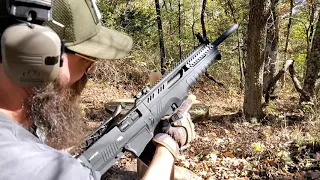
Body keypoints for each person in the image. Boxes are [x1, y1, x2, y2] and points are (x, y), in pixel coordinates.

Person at [0, 0, 195, 179]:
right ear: (34, 54)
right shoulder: (41, 167)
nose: (88, 72)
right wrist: (168, 146)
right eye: (86, 61)